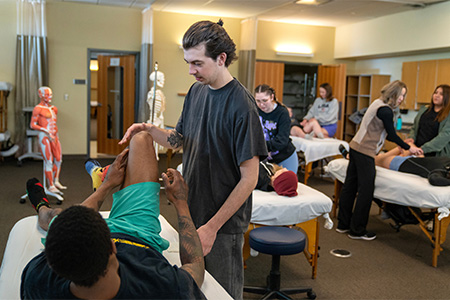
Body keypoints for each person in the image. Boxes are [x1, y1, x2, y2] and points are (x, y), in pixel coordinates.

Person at [119, 20, 267, 299]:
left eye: (197, 63)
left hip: (222, 224)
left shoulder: (242, 106)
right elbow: (179, 138)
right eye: (188, 62)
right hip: (193, 207)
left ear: (221, 58)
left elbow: (250, 178)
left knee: (223, 293)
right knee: (194, 288)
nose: (191, 71)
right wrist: (149, 130)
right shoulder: (196, 92)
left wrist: (212, 227)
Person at [21, 131, 206, 299]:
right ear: (112, 247)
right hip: (138, 232)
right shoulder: (159, 285)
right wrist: (181, 202)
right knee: (141, 139)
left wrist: (108, 185)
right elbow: (195, 267)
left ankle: (43, 205)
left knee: (54, 217)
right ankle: (103, 179)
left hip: (89, 239)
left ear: (53, 265)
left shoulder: (36, 280)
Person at [336, 80, 422, 241]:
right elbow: (392, 134)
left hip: (354, 147)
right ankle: (357, 230)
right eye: (401, 95)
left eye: (404, 96)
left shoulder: (377, 103)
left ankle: (343, 224)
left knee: (350, 186)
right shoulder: (386, 111)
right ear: (394, 93)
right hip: (365, 152)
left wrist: (403, 146)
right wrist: (409, 147)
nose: (402, 99)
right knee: (366, 191)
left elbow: (387, 134)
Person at [30, 86, 66, 195]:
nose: (49, 96)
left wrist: (54, 133)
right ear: (40, 95)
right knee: (48, 161)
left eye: (50, 94)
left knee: (59, 159)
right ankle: (50, 186)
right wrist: (45, 130)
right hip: (44, 136)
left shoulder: (54, 108)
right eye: (46, 94)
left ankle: (56, 181)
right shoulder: (38, 108)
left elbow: (54, 123)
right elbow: (32, 125)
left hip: (54, 136)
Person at [255, 84, 298, 172]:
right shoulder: (255, 111)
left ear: (272, 97)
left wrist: (260, 147)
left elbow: (282, 140)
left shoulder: (282, 112)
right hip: (265, 157)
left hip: (284, 156)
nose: (261, 104)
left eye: (264, 100)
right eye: (258, 101)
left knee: (287, 183)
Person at [405, 84, 450, 157]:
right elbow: (414, 127)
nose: (437, 95)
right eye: (435, 93)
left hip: (433, 154)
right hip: (416, 150)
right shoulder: (424, 110)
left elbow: (444, 137)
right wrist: (411, 138)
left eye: (441, 94)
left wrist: (422, 149)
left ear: (448, 97)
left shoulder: (448, 115)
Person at [375, 147, 450, 186]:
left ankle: (380, 154)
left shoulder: (445, 162)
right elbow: (434, 179)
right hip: (400, 162)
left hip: (406, 160)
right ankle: (379, 154)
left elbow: (434, 179)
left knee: (377, 158)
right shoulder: (441, 170)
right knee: (373, 159)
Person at [147, 70, 166, 158]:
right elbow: (151, 106)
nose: (164, 80)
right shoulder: (152, 94)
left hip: (158, 119)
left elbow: (162, 105)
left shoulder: (159, 93)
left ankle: (156, 154)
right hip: (153, 119)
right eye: (162, 78)